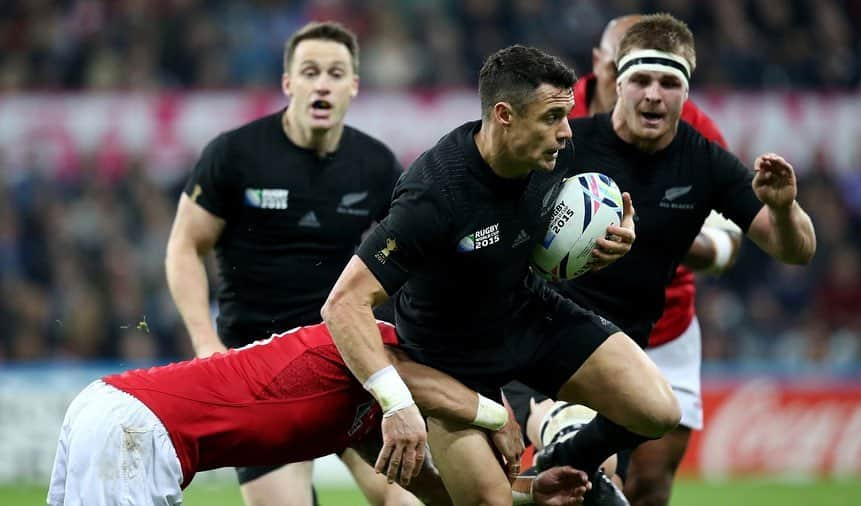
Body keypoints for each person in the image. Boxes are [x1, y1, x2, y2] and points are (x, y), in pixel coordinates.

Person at [321, 44, 682, 506]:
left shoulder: (554, 156)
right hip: (449, 358)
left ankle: (559, 458)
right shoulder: (433, 195)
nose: (566, 132)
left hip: (528, 316)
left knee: (658, 411)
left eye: (567, 115)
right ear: (505, 115)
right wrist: (396, 403)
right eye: (552, 117)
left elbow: (546, 242)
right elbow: (343, 303)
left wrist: (609, 242)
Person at [527, 12, 816, 499]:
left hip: (647, 342)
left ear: (686, 90)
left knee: (649, 473)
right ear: (616, 82)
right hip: (555, 335)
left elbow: (797, 249)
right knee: (587, 486)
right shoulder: (568, 142)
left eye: (669, 82)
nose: (653, 95)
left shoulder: (703, 158)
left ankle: (567, 458)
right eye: (640, 79)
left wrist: (784, 209)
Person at [164, 21, 409, 505]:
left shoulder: (376, 164)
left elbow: (411, 257)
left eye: (335, 73)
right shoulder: (234, 155)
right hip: (260, 366)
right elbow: (184, 247)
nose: (322, 83)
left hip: (345, 357)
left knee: (406, 499)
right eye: (310, 71)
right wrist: (205, 341)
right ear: (288, 83)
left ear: (353, 86)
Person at [505, 14, 743, 506]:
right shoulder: (558, 117)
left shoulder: (692, 126)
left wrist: (677, 241)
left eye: (662, 77)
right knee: (571, 466)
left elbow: (729, 236)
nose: (646, 90)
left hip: (663, 324)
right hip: (563, 314)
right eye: (626, 71)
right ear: (601, 63)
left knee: (648, 483)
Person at [47, 321, 593, 506]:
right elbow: (420, 380)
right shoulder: (371, 347)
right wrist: (499, 416)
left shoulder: (369, 407)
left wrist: (524, 494)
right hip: (138, 427)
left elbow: (431, 488)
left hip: (117, 414)